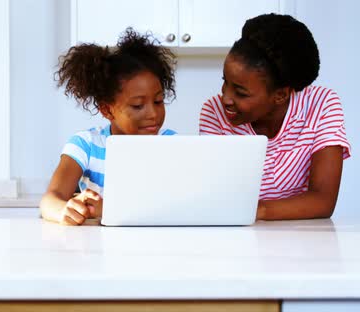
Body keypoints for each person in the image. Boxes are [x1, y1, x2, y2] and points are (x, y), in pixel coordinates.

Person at [199, 13, 351, 220]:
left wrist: (254, 210)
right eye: (225, 81)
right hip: (237, 237)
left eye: (241, 92)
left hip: (305, 240)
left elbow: (323, 201)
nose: (225, 98)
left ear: (280, 95)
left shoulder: (321, 104)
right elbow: (215, 194)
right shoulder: (214, 111)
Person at [40, 28, 177, 225]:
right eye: (138, 105)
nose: (153, 114)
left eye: (158, 101)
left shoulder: (172, 144)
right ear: (107, 110)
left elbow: (172, 206)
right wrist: (63, 210)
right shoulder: (86, 145)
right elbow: (50, 199)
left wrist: (108, 209)